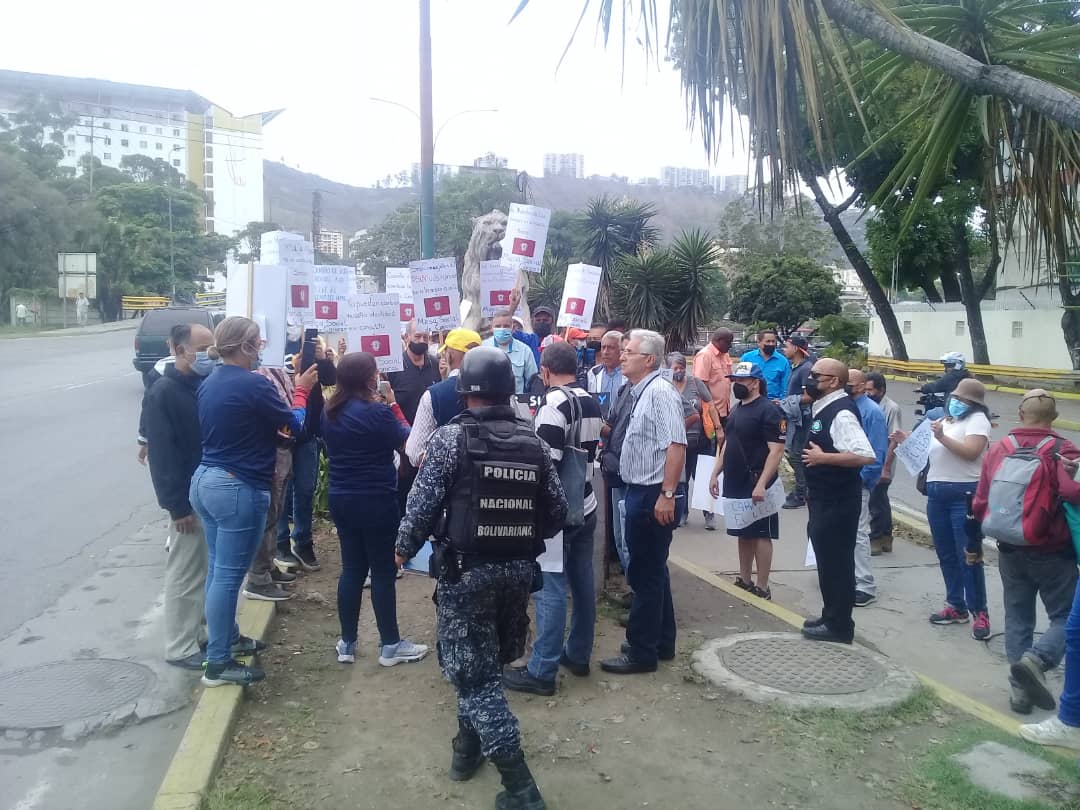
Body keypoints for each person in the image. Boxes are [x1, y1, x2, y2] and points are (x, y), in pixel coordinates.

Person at [394, 346, 567, 808]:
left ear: (464, 391)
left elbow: (421, 503)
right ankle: (465, 751)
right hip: (517, 574)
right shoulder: (531, 440)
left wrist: (403, 549)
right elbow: (557, 512)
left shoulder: (451, 439)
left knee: (476, 680)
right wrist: (518, 538)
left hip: (466, 574)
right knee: (484, 665)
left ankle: (522, 790)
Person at [190, 316, 319, 686]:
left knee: (219, 571)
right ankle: (217, 663)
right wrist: (301, 390)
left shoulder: (211, 381)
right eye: (258, 343)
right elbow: (292, 426)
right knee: (228, 577)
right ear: (245, 346)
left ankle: (226, 638)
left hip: (206, 480)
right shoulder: (253, 385)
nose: (261, 348)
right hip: (236, 485)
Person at [504, 341, 602, 696]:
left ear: (544, 370)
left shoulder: (552, 403)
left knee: (550, 588)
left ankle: (542, 670)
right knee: (582, 582)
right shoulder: (590, 400)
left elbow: (545, 463)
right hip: (586, 504)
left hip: (557, 514)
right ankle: (577, 654)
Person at [973, 391, 1080, 714]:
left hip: (1009, 548)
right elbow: (1072, 494)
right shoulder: (1064, 450)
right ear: (1055, 418)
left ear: (1020, 414)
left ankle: (1020, 692)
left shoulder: (1000, 449)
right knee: (1065, 616)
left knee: (1018, 617)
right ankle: (1039, 659)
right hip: (1053, 551)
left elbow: (980, 501)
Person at [323, 352, 429, 667]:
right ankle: (390, 644)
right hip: (377, 499)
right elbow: (412, 443)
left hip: (341, 498)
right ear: (368, 378)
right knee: (383, 571)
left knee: (352, 569)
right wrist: (393, 404)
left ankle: (347, 643)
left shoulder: (329, 412)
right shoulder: (378, 413)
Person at [600, 330, 687, 674]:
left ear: (649, 360)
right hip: (642, 491)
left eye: (629, 351)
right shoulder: (643, 392)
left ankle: (641, 652)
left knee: (644, 574)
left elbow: (676, 445)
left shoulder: (660, 393)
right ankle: (660, 640)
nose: (621, 356)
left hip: (653, 494)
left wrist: (667, 494)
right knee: (653, 570)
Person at [891, 378, 993, 640]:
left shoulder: (977, 421)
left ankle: (979, 611)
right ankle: (955, 605)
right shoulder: (946, 421)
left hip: (964, 494)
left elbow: (971, 452)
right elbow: (930, 450)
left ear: (973, 404)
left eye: (962, 400)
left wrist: (941, 437)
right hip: (937, 494)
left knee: (969, 555)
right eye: (954, 398)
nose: (956, 403)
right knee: (946, 553)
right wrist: (907, 439)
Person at [144, 323, 215, 670]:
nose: (207, 355)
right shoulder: (164, 393)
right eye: (201, 348)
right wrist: (176, 507)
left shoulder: (198, 385)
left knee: (201, 571)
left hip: (202, 493)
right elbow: (163, 457)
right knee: (186, 573)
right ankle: (180, 646)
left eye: (212, 349)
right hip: (185, 500)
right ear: (177, 348)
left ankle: (197, 633)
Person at [800, 358, 876, 644]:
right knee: (828, 561)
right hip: (823, 498)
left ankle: (839, 625)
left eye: (816, 375)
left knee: (837, 563)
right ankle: (830, 615)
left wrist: (823, 458)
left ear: (833, 381)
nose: (810, 378)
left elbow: (866, 455)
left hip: (838, 500)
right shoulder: (825, 407)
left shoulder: (841, 412)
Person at [708, 362, 786, 599]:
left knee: (762, 533)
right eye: (735, 380)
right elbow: (728, 443)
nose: (737, 384)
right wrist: (715, 473)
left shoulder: (769, 411)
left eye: (742, 380)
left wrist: (762, 483)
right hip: (737, 480)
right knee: (743, 531)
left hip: (758, 481)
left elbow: (776, 451)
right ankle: (745, 579)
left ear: (756, 382)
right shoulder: (736, 409)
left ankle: (762, 586)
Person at [276, 339, 337, 574]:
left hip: (308, 434)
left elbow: (330, 379)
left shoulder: (310, 340)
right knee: (280, 491)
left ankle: (303, 542)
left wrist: (321, 359)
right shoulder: (276, 346)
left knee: (305, 490)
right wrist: (294, 366)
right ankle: (280, 543)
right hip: (281, 435)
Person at [242, 364, 301, 603]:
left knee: (275, 513)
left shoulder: (278, 368)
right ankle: (258, 578)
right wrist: (302, 393)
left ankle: (268, 567)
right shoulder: (255, 376)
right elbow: (285, 415)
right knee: (266, 517)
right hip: (271, 451)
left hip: (283, 448)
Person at [405, 328, 482, 466]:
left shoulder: (434, 395)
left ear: (449, 356)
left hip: (449, 484)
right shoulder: (499, 389)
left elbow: (414, 453)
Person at [385, 322, 442, 513]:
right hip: (402, 446)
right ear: (406, 336)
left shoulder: (436, 365)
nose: (422, 341)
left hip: (432, 446)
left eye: (425, 337)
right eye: (417, 336)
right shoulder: (393, 367)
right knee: (404, 497)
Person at [847, 370, 887, 608]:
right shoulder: (845, 406)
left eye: (850, 384)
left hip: (857, 482)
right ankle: (849, 578)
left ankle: (865, 585)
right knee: (846, 534)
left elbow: (876, 453)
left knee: (859, 534)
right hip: (841, 482)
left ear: (862, 386)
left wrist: (862, 481)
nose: (846, 387)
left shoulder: (872, 412)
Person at [668, 351, 716, 530]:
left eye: (681, 367)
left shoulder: (695, 383)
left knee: (703, 478)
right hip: (678, 442)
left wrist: (718, 429)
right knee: (682, 479)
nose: (678, 371)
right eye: (675, 368)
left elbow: (710, 404)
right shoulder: (665, 384)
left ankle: (709, 514)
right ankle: (682, 513)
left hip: (701, 440)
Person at [865, 373, 902, 554]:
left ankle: (876, 538)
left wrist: (885, 468)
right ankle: (886, 537)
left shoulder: (891, 408)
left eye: (871, 390)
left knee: (876, 501)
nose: (868, 393)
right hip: (870, 460)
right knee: (881, 500)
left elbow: (894, 440)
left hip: (883, 460)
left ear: (881, 390)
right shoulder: (867, 405)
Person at [778, 335, 815, 509]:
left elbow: (809, 396)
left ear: (796, 348)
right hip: (795, 418)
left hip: (803, 420)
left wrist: (787, 402)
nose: (784, 349)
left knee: (796, 455)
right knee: (792, 454)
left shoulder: (806, 369)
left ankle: (801, 494)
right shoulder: (796, 367)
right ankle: (804, 489)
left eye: (787, 346)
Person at [485, 309, 538, 395]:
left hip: (516, 404)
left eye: (506, 326)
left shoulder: (524, 350)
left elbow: (533, 382)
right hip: (489, 403)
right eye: (498, 326)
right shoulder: (482, 348)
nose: (502, 329)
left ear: (513, 328)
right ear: (491, 328)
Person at [693, 329, 734, 426]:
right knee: (711, 440)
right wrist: (712, 409)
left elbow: (729, 378)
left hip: (725, 410)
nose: (731, 346)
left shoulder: (725, 355)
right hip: (711, 412)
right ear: (720, 340)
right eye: (728, 342)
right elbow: (700, 385)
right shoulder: (705, 355)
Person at [740, 328, 790, 401]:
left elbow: (785, 386)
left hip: (773, 403)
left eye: (773, 341)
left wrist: (781, 401)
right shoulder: (747, 358)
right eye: (768, 341)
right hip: (750, 401)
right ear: (759, 342)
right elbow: (740, 380)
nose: (771, 344)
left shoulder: (783, 361)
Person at [587, 330, 625, 416]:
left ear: (621, 350)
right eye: (603, 347)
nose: (605, 352)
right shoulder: (593, 373)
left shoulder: (629, 374)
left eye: (611, 348)